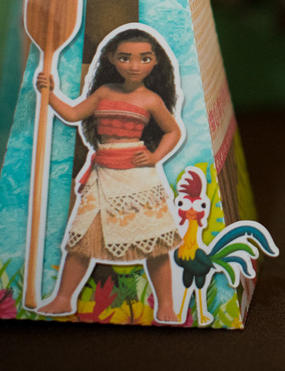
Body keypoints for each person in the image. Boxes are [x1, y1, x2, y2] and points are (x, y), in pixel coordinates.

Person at [34, 25, 183, 323]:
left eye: (144, 58)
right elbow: (73, 114)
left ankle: (166, 304)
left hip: (137, 174)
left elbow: (173, 131)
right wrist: (49, 92)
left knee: (155, 242)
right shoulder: (104, 92)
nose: (134, 66)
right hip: (103, 172)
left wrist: (154, 156)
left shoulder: (151, 100)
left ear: (155, 61)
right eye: (125, 58)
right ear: (112, 59)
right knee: (81, 239)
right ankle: (63, 298)